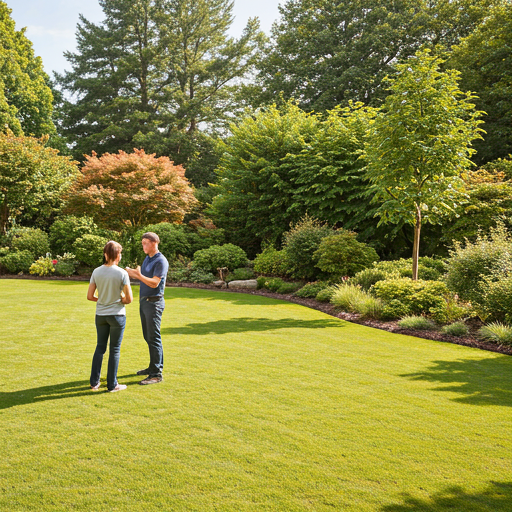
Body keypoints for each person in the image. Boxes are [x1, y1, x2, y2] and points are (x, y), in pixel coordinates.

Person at [87, 241, 133, 392]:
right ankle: (112, 385)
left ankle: (94, 382)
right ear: (118, 255)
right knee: (114, 349)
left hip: (100, 315)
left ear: (105, 254)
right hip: (117, 316)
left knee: (100, 347)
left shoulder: (96, 272)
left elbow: (90, 296)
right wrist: (119, 300)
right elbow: (129, 299)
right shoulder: (122, 273)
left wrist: (102, 300)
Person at [126, 232, 168, 385]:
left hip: (154, 303)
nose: (143, 245)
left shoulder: (160, 261)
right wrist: (130, 272)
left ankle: (156, 374)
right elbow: (142, 276)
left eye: (145, 243)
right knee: (148, 336)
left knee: (154, 337)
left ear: (153, 243)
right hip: (144, 302)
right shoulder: (147, 259)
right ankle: (152, 367)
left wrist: (137, 275)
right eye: (142, 243)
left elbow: (154, 283)